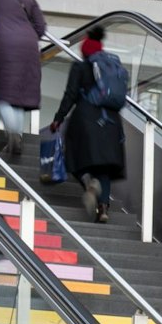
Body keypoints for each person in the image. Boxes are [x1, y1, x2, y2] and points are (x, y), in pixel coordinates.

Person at [49, 26, 127, 223]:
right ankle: (103, 209)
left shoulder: (80, 67)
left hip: (85, 119)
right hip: (111, 122)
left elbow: (71, 95)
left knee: (72, 157)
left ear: (84, 50)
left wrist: (58, 118)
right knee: (103, 169)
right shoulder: (111, 67)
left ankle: (89, 183)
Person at [0, 0, 49, 154]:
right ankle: (19, 136)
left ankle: (13, 132)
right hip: (29, 47)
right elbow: (41, 26)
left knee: (5, 96)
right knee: (20, 97)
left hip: (4, 44)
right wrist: (28, 36)